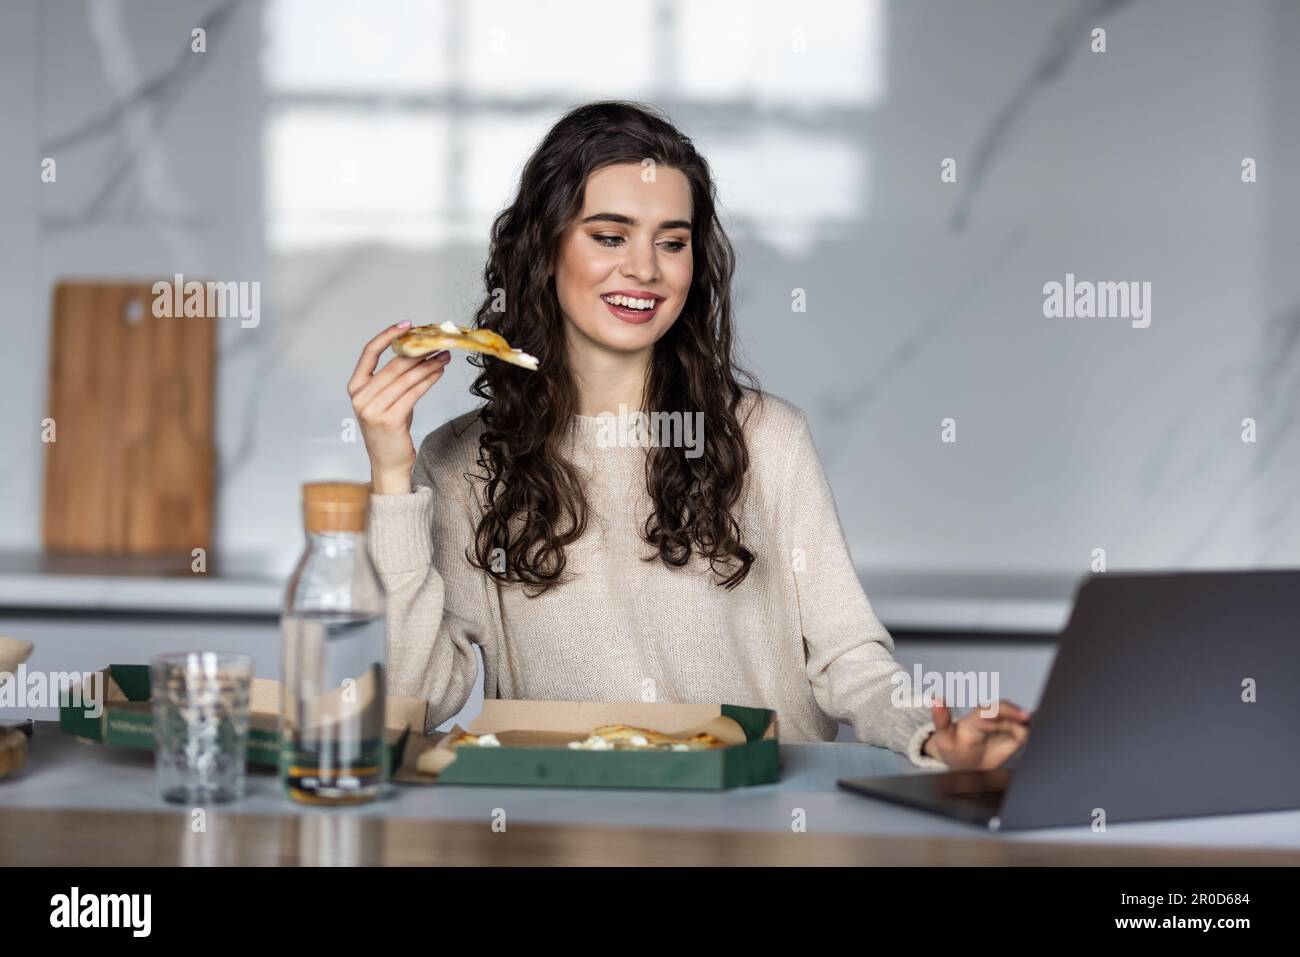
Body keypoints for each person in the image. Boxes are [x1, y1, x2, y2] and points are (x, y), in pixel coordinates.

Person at [347, 100, 1030, 769]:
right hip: (566, 826)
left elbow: (848, 656)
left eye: (672, 242)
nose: (645, 269)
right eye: (610, 236)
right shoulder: (463, 460)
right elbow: (415, 700)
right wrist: (388, 475)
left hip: (761, 820)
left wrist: (932, 736)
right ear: (544, 248)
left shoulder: (768, 439)